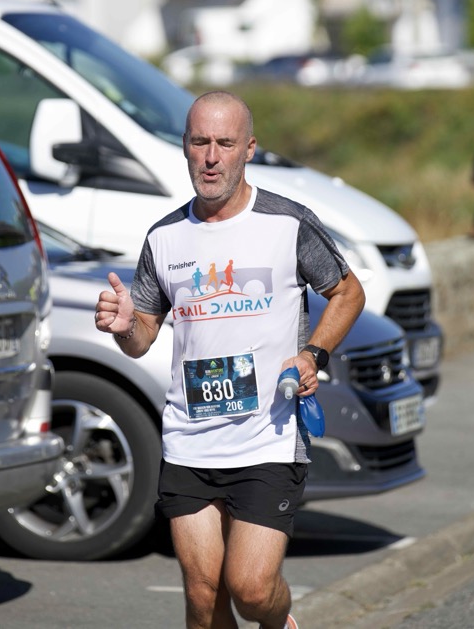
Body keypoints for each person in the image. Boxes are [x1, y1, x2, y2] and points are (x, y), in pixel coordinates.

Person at [94, 90, 365, 629]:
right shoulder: (164, 236)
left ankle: (280, 623)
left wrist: (312, 354)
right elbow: (142, 336)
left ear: (249, 149)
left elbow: (348, 292)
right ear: (185, 147)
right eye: (200, 142)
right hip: (190, 439)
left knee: (251, 590)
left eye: (225, 143)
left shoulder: (287, 223)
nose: (212, 157)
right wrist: (125, 327)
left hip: (268, 437)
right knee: (203, 597)